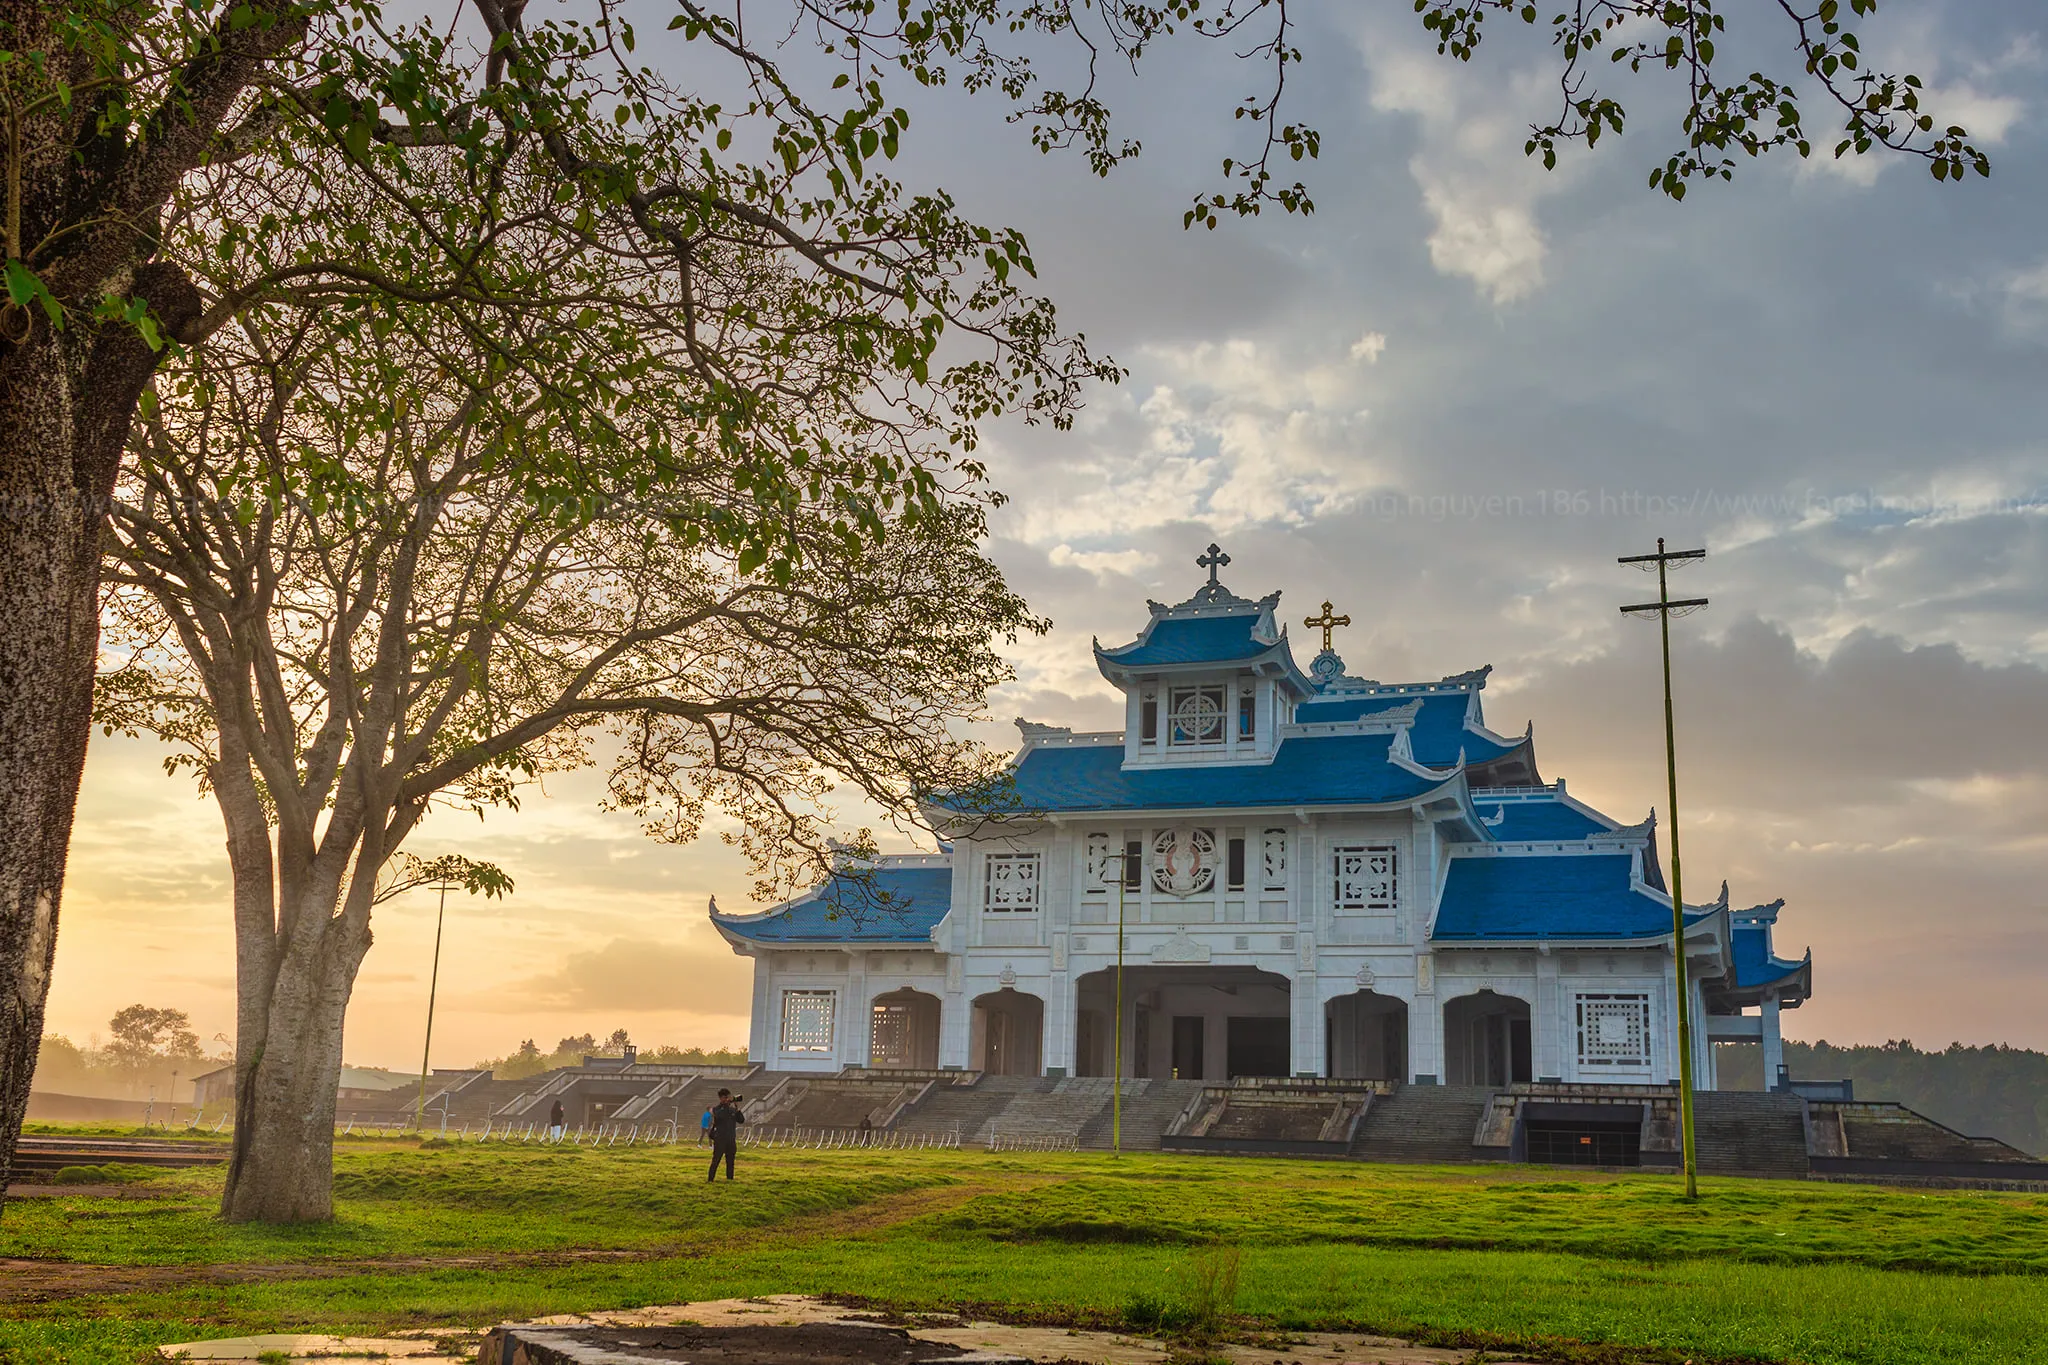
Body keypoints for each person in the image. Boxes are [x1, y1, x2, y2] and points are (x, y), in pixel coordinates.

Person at [706, 1088, 744, 1181]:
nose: (727, 1099)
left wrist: (737, 1108)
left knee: (730, 1161)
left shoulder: (732, 1110)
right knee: (716, 1160)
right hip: (720, 1139)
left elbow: (741, 1120)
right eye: (725, 1097)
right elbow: (720, 1116)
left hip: (731, 1139)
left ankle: (730, 1179)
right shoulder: (716, 1109)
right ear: (721, 1098)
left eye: (728, 1097)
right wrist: (726, 1105)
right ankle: (710, 1179)